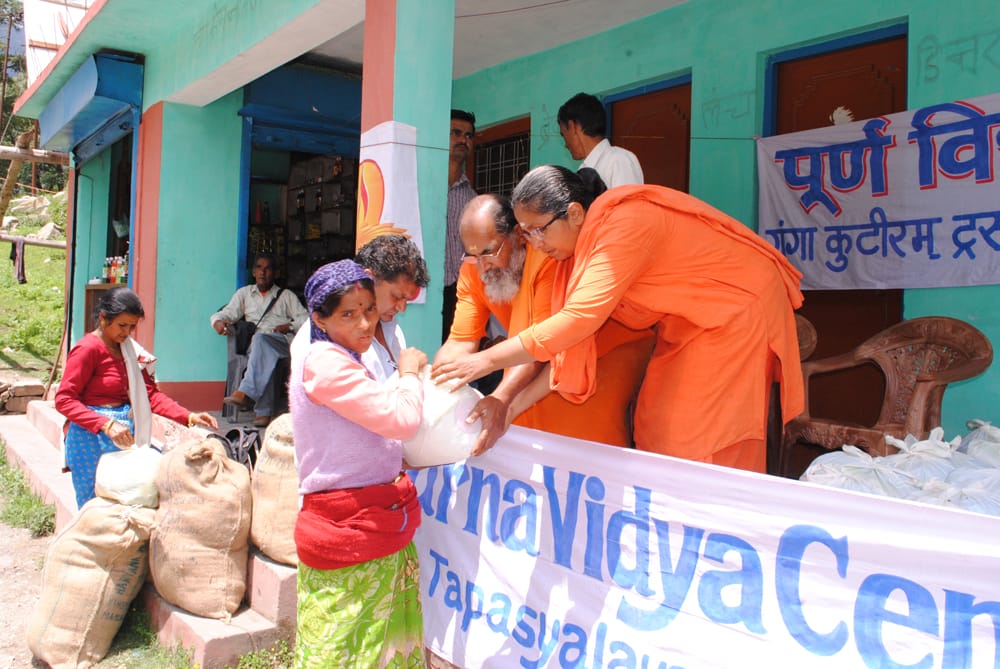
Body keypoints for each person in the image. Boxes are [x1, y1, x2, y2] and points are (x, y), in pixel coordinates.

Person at [433, 165, 805, 473]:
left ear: (575, 213)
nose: (534, 244)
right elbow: (564, 343)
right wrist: (505, 406)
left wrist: (484, 361)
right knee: (653, 421)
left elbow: (577, 320)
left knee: (696, 432)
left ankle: (716, 529)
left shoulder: (624, 225)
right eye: (526, 233)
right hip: (686, 321)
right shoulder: (572, 249)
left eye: (537, 231)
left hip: (734, 312)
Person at [434, 192, 653, 452]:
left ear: (517, 235)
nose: (483, 267)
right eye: (472, 255)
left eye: (489, 252)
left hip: (602, 352)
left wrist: (502, 397)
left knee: (582, 442)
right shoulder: (473, 268)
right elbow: (460, 341)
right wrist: (435, 390)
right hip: (535, 357)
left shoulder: (548, 260)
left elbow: (540, 345)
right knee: (518, 424)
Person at [289, 259, 428, 667]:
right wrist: (409, 374)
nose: (365, 324)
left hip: (373, 517)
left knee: (373, 641)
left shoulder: (351, 356)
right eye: (348, 315)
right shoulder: (326, 363)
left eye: (369, 310)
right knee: (343, 646)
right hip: (350, 525)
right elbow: (401, 419)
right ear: (319, 318)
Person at [56, 287, 218, 508]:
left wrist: (188, 416)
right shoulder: (87, 349)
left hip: (124, 436)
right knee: (93, 506)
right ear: (103, 318)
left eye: (132, 327)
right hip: (90, 439)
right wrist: (106, 424)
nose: (127, 332)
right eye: (122, 325)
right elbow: (64, 399)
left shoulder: (128, 350)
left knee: (126, 504)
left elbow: (148, 395)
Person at [211, 252, 308, 427]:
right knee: (262, 349)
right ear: (254, 272)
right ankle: (263, 412)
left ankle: (247, 394)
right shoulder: (244, 294)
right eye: (259, 268)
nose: (263, 272)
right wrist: (217, 321)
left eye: (268, 268)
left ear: (275, 273)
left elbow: (306, 318)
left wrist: (290, 326)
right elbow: (227, 312)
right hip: (256, 345)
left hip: (282, 342)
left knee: (263, 344)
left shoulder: (286, 296)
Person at [355, 234, 430, 381]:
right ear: (368, 280)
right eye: (396, 297)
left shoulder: (393, 329)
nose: (402, 308)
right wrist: (409, 373)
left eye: (406, 300)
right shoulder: (338, 337)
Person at [442, 108, 478, 342]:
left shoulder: (472, 197)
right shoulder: (424, 187)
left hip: (460, 292)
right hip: (424, 289)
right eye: (456, 133)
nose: (463, 140)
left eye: (468, 135)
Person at [558, 92, 643, 188]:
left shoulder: (618, 160)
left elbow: (628, 202)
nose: (565, 145)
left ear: (572, 126)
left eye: (563, 134)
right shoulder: (583, 170)